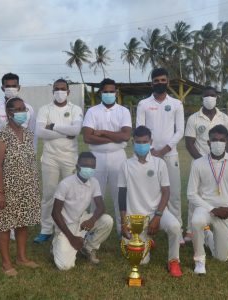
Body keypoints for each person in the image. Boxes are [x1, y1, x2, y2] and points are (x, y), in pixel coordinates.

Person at [118, 126, 183, 277]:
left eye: (145, 142)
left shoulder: (159, 163)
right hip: (135, 219)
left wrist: (158, 216)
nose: (141, 145)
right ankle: (146, 240)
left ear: (151, 142)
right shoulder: (126, 165)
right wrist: (123, 222)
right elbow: (122, 194)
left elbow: (166, 191)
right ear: (133, 142)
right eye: (138, 142)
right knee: (141, 261)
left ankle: (173, 261)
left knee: (174, 226)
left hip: (157, 213)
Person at [0, 73, 36, 247]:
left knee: (20, 200)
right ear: (2, 87)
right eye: (7, 85)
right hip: (1, 161)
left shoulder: (29, 108)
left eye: (14, 85)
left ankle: (15, 230)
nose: (11, 88)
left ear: (19, 87)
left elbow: (31, 136)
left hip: (22, 164)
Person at [187, 125, 228, 275]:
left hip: (227, 212)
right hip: (206, 208)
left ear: (227, 142)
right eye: (214, 140)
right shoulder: (198, 163)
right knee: (196, 221)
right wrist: (211, 209)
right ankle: (200, 261)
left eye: (222, 140)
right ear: (208, 142)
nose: (218, 143)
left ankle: (208, 236)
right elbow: (191, 193)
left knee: (221, 258)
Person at [0, 97, 40, 276]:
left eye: (23, 108)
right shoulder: (1, 134)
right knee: (5, 225)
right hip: (8, 188)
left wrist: (33, 187)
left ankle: (21, 257)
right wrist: (0, 193)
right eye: (17, 109)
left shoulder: (28, 134)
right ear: (9, 112)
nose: (22, 112)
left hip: (27, 187)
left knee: (23, 222)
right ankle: (6, 262)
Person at [136, 68, 185, 244]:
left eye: (163, 80)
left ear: (168, 82)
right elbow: (140, 130)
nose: (160, 83)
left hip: (170, 155)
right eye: (156, 80)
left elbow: (180, 131)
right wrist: (149, 151)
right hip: (148, 155)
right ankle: (145, 230)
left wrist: (163, 150)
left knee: (174, 194)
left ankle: (177, 231)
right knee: (148, 192)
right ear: (152, 83)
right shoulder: (143, 104)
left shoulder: (177, 104)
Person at [33, 78, 83, 244]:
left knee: (72, 193)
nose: (59, 92)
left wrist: (52, 126)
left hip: (70, 157)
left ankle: (72, 225)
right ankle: (46, 229)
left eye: (63, 89)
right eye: (56, 89)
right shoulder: (44, 109)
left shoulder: (75, 109)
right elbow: (40, 132)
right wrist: (65, 133)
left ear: (68, 92)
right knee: (49, 194)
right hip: (50, 158)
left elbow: (76, 130)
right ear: (52, 91)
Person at [184, 86, 228, 242]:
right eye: (207, 96)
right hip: (199, 163)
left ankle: (224, 227)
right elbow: (189, 143)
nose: (210, 98)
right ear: (202, 98)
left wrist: (223, 156)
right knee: (195, 196)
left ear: (216, 98)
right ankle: (191, 230)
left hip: (220, 163)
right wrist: (202, 161)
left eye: (212, 95)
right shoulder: (194, 118)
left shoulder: (224, 118)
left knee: (221, 194)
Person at [82, 78, 132, 234]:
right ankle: (92, 232)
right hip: (97, 157)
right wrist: (114, 137)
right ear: (101, 93)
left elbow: (125, 136)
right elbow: (88, 137)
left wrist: (102, 132)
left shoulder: (123, 111)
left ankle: (122, 230)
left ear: (116, 93)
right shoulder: (92, 111)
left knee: (121, 195)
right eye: (106, 92)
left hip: (118, 156)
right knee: (95, 195)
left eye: (112, 91)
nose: (109, 94)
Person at [51, 152, 113, 270]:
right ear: (77, 166)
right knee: (65, 266)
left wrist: (92, 220)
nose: (89, 169)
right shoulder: (66, 184)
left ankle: (88, 248)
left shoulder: (94, 182)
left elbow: (101, 207)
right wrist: (71, 238)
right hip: (66, 226)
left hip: (82, 222)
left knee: (107, 220)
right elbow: (55, 213)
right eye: (85, 166)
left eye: (92, 167)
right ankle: (56, 244)